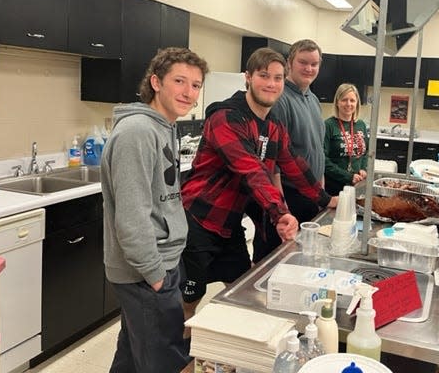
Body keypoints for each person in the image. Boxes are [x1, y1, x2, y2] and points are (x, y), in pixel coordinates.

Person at [180, 47, 337, 325]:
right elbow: (251, 171)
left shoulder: (273, 124)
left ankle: (223, 353)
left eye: (277, 78)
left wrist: (325, 200)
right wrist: (280, 212)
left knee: (241, 288)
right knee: (188, 299)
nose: (271, 84)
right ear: (248, 78)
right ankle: (177, 356)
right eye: (264, 76)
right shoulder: (226, 118)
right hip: (198, 221)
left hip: (229, 224)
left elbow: (293, 164)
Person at [101, 47, 209, 373]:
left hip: (160, 265)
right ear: (156, 82)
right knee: (166, 362)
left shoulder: (163, 126)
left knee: (133, 360)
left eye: (195, 85)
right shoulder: (138, 132)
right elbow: (132, 217)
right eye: (179, 81)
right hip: (147, 272)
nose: (188, 92)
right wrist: (156, 276)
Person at [252, 39, 326, 262]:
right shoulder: (280, 99)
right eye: (303, 62)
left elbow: (317, 148)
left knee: (299, 259)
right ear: (289, 63)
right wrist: (281, 209)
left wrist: (320, 187)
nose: (309, 68)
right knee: (273, 259)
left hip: (310, 194)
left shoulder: (313, 99)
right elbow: (273, 160)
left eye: (314, 64)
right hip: (287, 195)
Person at [323, 83, 368, 195]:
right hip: (334, 186)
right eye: (344, 100)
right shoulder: (328, 125)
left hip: (357, 184)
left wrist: (363, 168)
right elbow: (323, 160)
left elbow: (366, 152)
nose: (348, 104)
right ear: (337, 102)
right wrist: (347, 176)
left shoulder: (360, 124)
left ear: (357, 103)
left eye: (352, 100)